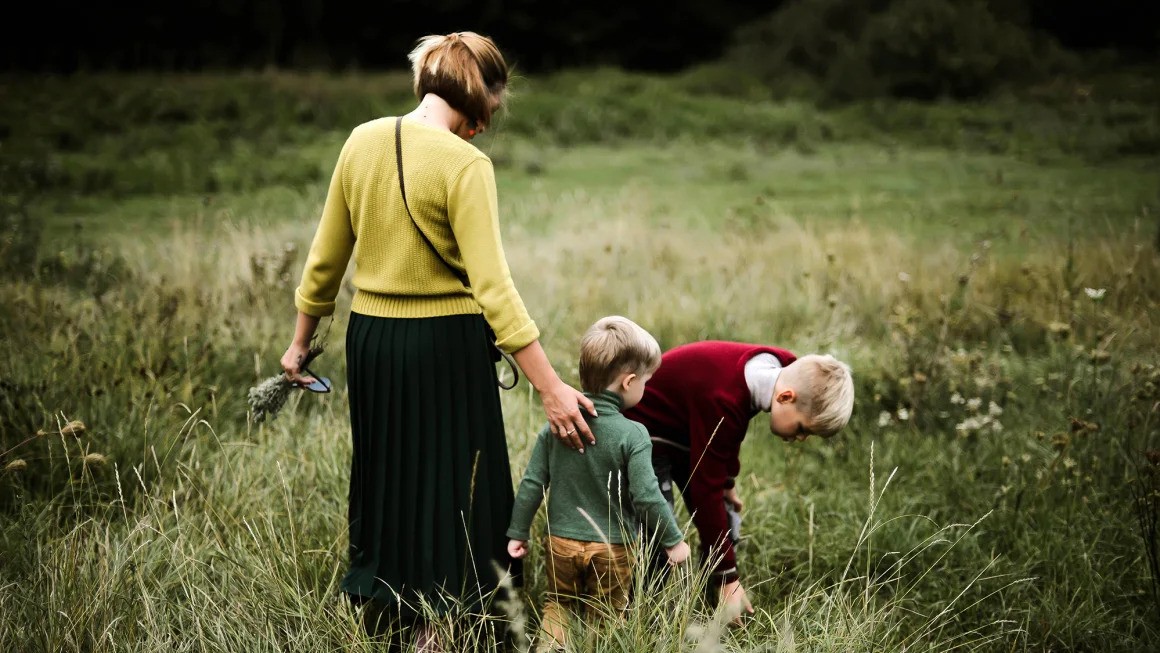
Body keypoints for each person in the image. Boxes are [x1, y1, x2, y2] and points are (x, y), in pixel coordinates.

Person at [279, 31, 597, 650]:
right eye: (493, 109)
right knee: (461, 485)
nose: (487, 125)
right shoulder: (466, 165)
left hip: (372, 343)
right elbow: (495, 291)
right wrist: (553, 388)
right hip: (444, 348)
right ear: (480, 96)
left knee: (390, 476)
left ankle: (394, 609)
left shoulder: (361, 140)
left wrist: (299, 345)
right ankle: (446, 626)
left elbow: (324, 261)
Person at [622, 340, 854, 624]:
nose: (801, 439)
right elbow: (705, 485)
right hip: (644, 433)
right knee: (660, 531)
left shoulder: (781, 367)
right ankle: (637, 613)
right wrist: (729, 577)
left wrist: (727, 482)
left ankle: (712, 590)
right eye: (803, 428)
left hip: (687, 432)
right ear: (785, 398)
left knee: (724, 517)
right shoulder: (726, 397)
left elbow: (726, 436)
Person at [506, 316, 692, 652]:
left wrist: (518, 532)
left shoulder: (554, 428)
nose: (645, 388)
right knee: (606, 615)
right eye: (646, 382)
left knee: (558, 605)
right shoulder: (633, 434)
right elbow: (647, 496)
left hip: (560, 540)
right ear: (629, 382)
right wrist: (672, 540)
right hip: (612, 547)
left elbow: (532, 484)